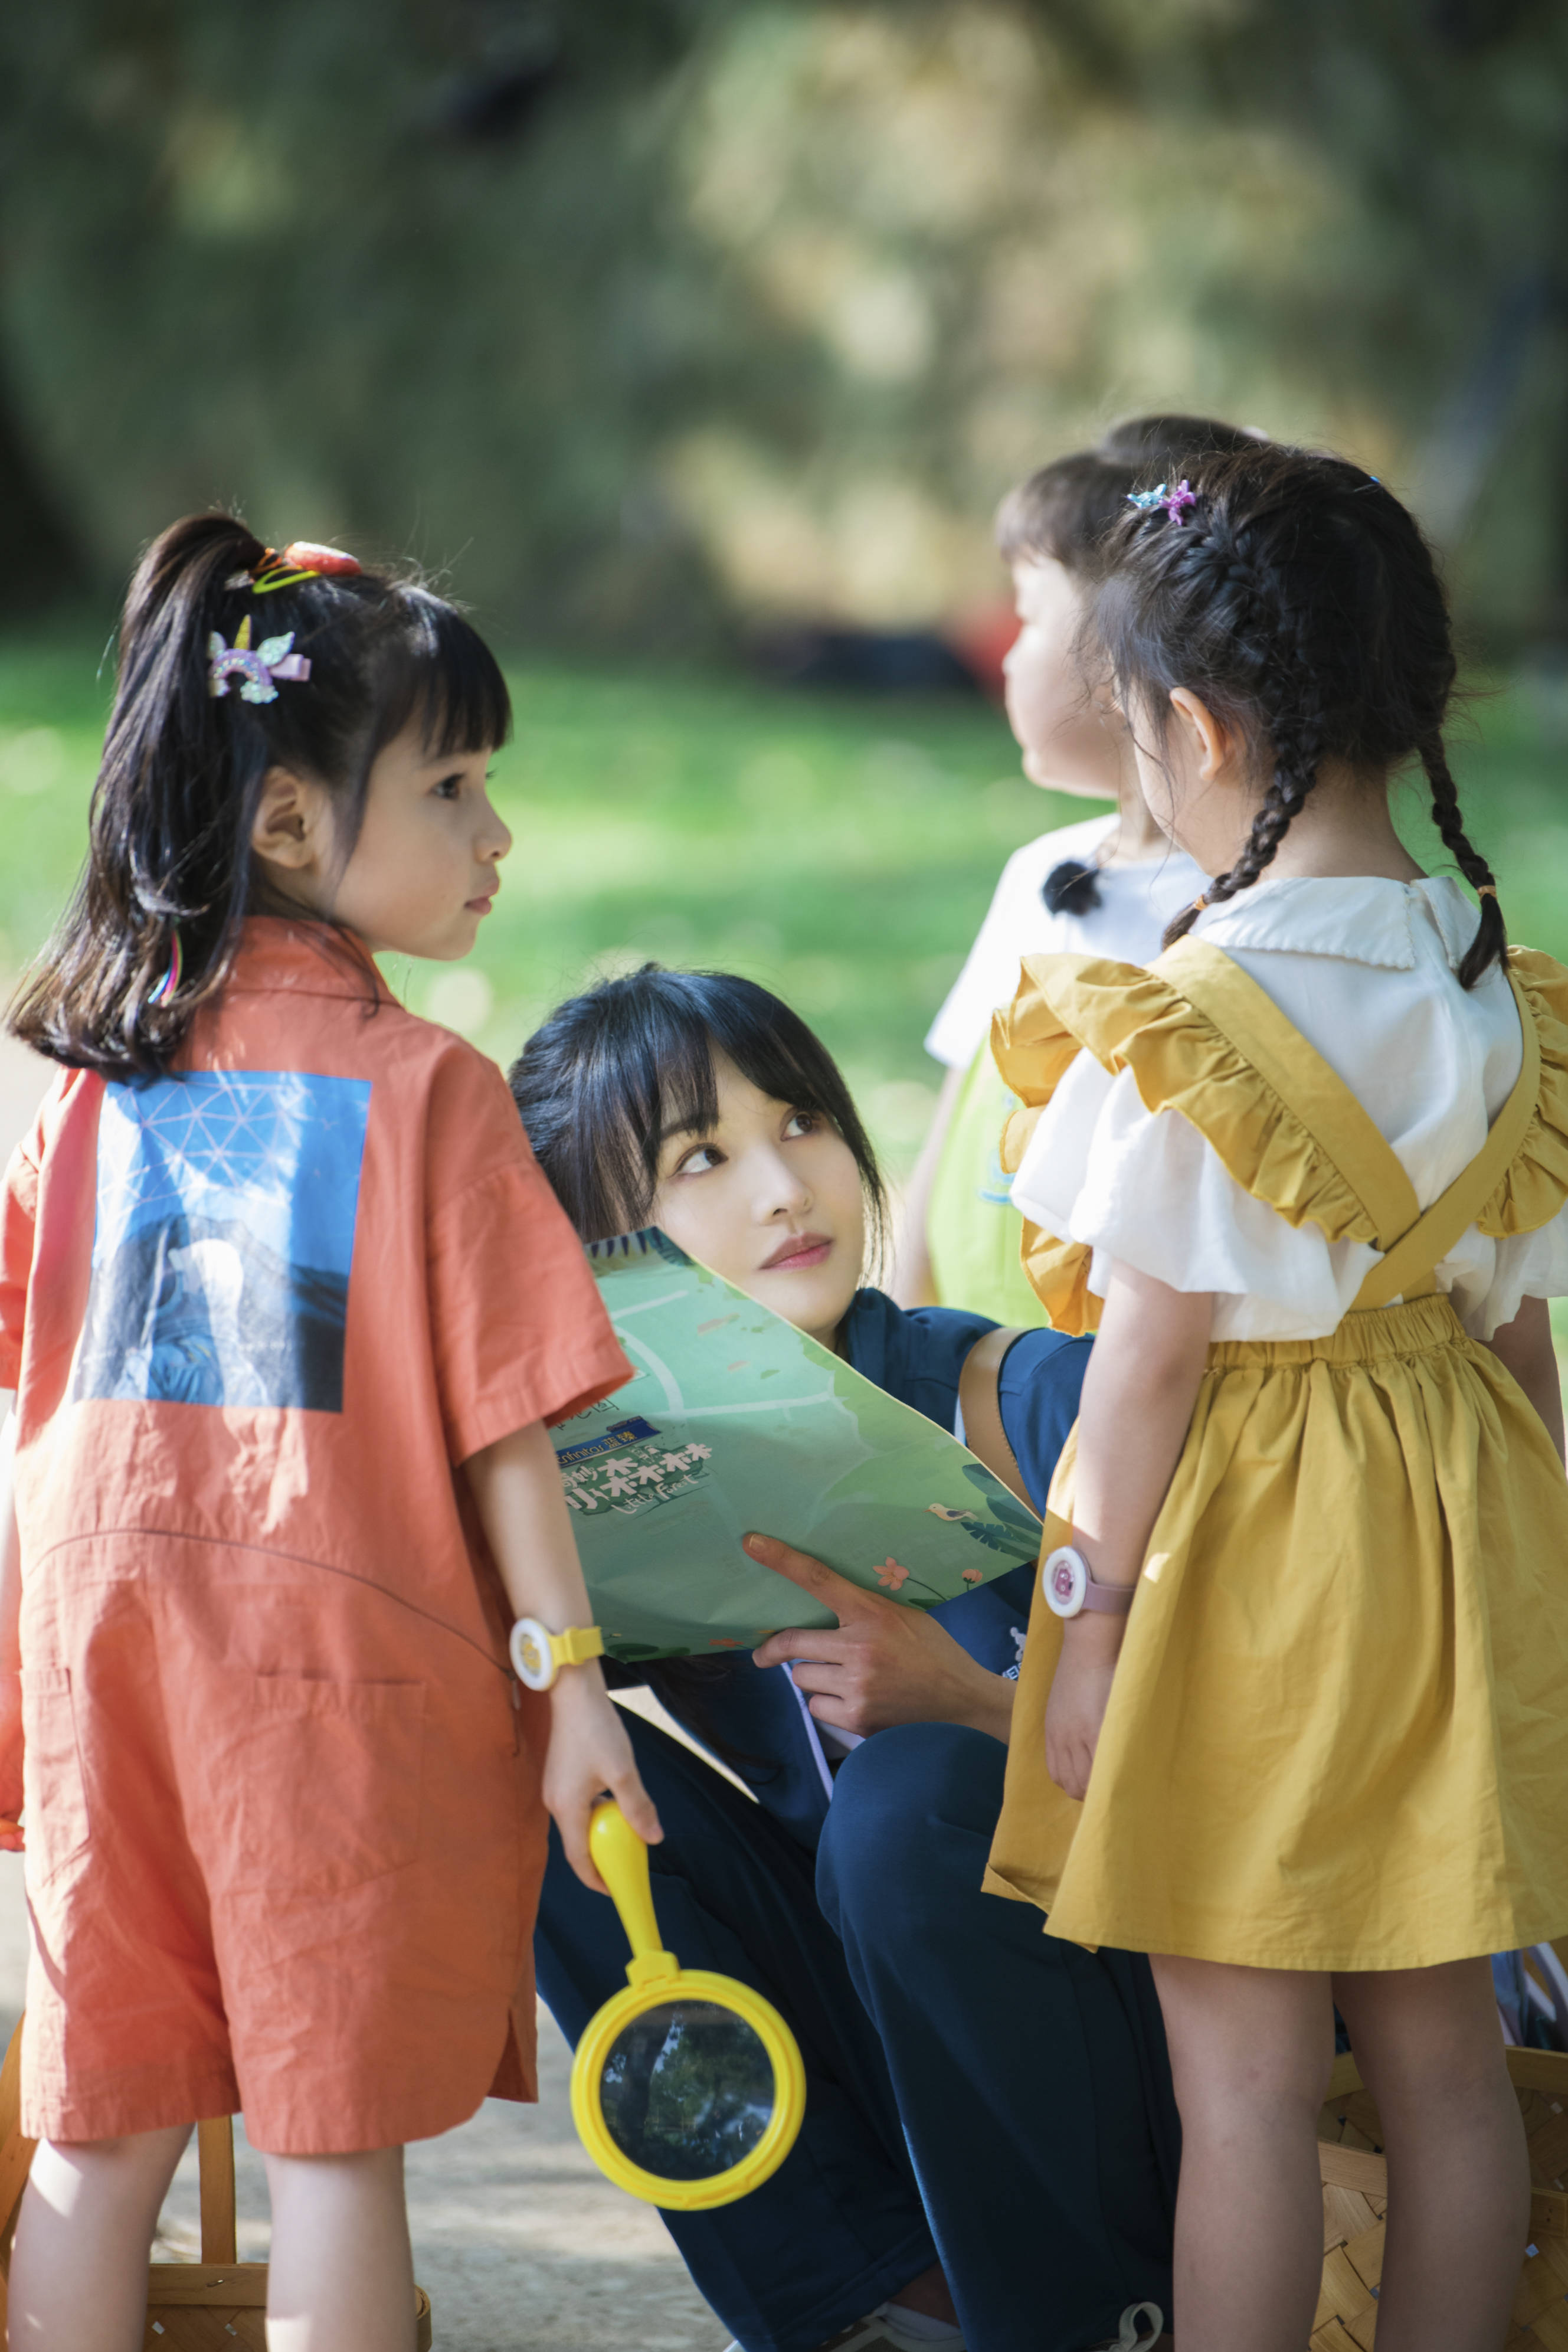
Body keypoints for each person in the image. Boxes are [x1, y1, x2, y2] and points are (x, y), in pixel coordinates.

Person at [0, 516, 660, 2352]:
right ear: (289, 823)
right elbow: (507, 1422)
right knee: (337, 2148)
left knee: (98, 2125)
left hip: (95, 1650)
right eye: (453, 785)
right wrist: (579, 1682)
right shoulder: (429, 1089)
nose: (494, 831)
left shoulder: (69, 1071)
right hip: (332, 1667)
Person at [984, 446, 1568, 2351]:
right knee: (1442, 2052)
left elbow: (1145, 1361)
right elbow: (1511, 1324)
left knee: (1236, 2073)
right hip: (1458, 1523)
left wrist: (1078, 1625)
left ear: (1192, 724)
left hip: (1252, 1547)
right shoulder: (1485, 975)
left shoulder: (1194, 1011)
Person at [510, 965, 1179, 2352]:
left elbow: (1288, 1769)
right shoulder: (626, 1470)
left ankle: (1081, 2320)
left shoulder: (1036, 1401)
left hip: (1156, 2062)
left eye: (800, 1120)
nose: (784, 1185)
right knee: (533, 1766)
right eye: (703, 1158)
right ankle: (873, 2301)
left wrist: (979, 1704)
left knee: (907, 1805)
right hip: (896, 2073)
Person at [899, 414, 1262, 1324]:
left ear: (1126, 650)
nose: (1009, 651)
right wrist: (901, 1312)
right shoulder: (1041, 870)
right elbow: (954, 1121)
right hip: (975, 1369)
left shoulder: (1241, 908)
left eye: (1026, 615)